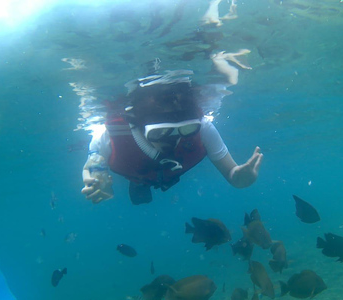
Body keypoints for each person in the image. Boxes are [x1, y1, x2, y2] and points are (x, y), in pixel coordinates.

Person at [81, 71, 262, 205]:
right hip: (137, 173)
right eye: (159, 132)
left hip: (165, 174)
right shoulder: (107, 134)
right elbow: (93, 168)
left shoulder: (204, 127)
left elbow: (233, 175)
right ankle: (138, 184)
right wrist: (96, 181)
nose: (173, 140)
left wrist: (241, 178)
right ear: (136, 126)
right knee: (138, 188)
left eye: (186, 130)